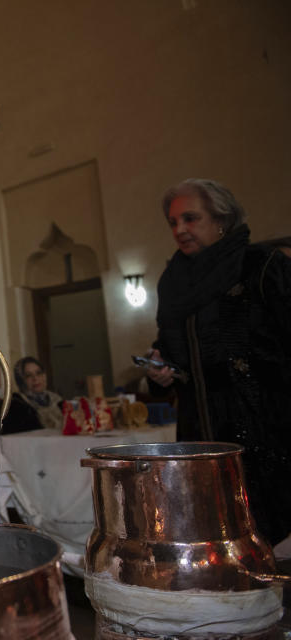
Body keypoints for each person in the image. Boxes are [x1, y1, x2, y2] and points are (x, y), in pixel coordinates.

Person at [146, 178, 291, 545]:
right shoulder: (173, 282)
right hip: (201, 434)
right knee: (216, 538)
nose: (179, 229)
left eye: (190, 219)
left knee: (270, 534)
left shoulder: (261, 265)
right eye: (172, 222)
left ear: (221, 219)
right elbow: (169, 346)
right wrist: (159, 368)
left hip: (265, 427)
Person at [3, 357, 64, 433]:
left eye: (39, 373)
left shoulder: (57, 400)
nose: (35, 378)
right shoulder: (16, 405)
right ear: (21, 381)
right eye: (28, 375)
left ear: (44, 376)